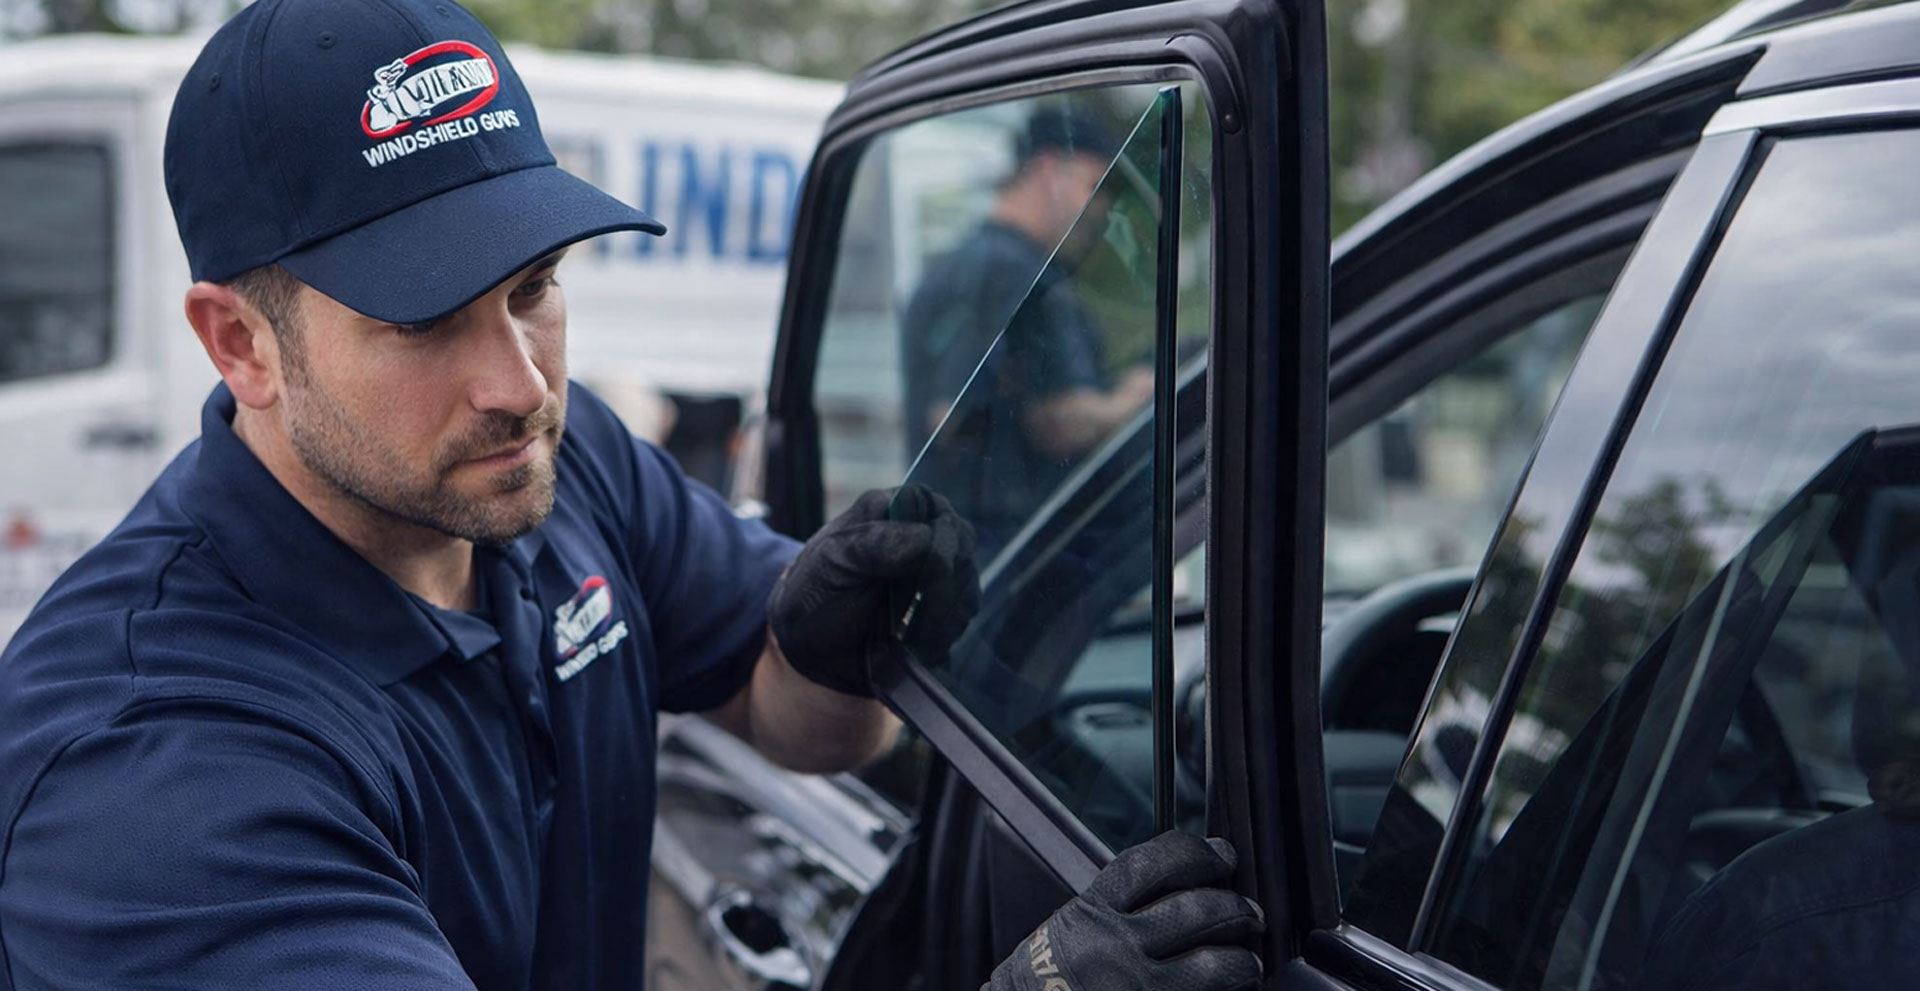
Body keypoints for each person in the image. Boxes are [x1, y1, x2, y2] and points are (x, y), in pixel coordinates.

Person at [0, 2, 1263, 989]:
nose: (518, 379)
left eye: (535, 283)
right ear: (240, 344)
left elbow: (798, 725)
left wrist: (837, 652)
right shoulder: (153, 774)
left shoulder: (554, 459)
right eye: (426, 317)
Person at [902, 106, 1155, 557]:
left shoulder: (952, 267)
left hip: (949, 552)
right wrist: (1135, 401)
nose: (1100, 210)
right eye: (1093, 187)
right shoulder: (1021, 276)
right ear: (1046, 170)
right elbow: (1055, 423)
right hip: (1010, 558)